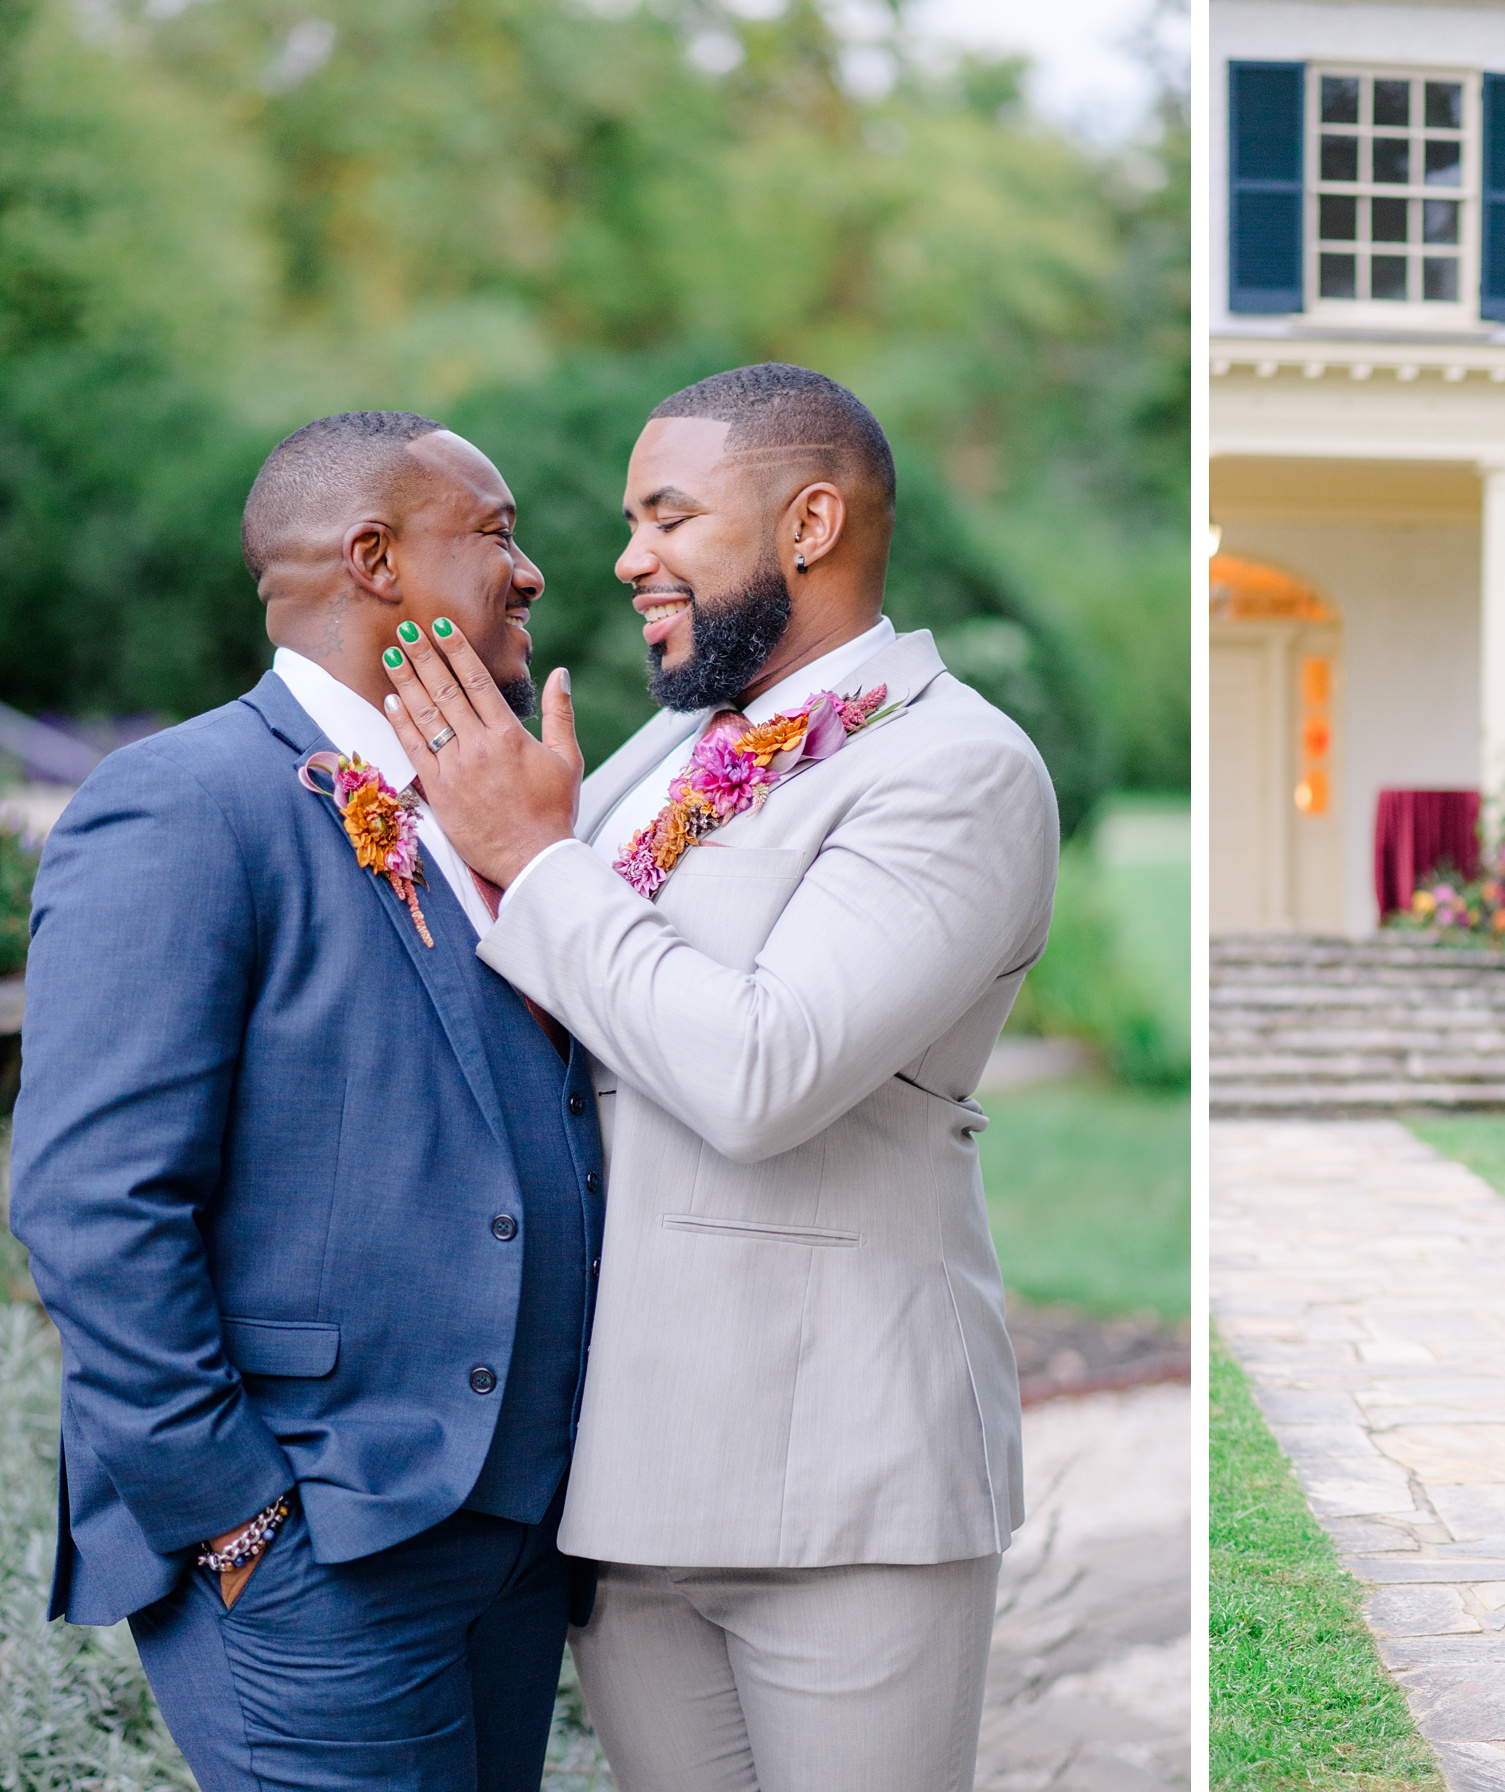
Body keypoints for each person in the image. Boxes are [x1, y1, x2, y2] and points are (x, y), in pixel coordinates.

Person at [377, 364, 1058, 1792]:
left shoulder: (958, 768)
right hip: (622, 1472)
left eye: (670, 518)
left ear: (810, 523)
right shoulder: (670, 747)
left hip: (843, 1478)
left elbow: (763, 1069)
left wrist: (544, 860)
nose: (626, 559)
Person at [8, 412, 605, 1790]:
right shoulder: (179, 806)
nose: (529, 574)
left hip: (510, 1538)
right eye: (497, 534)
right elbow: (92, 1202)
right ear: (376, 558)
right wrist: (237, 1520)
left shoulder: (493, 809)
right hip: (315, 1551)